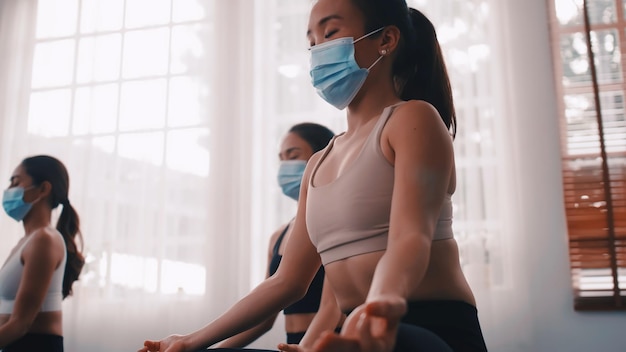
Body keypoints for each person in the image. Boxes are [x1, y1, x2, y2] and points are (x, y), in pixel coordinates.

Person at [140, 0, 488, 351]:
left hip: (426, 327)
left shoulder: (414, 119)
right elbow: (287, 281)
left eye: (331, 32)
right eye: (312, 41)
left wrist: (379, 308)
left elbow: (411, 236)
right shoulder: (319, 163)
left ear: (386, 39)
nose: (318, 49)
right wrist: (190, 341)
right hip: (355, 331)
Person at [212, 122, 343, 349]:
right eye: (281, 159)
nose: (285, 167)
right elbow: (264, 318)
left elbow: (333, 308)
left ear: (321, 157)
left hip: (329, 344)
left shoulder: (339, 221)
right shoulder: (278, 237)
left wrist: (306, 348)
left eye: (292, 156)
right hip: (291, 345)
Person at [0, 155, 85, 352]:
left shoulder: (44, 240)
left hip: (33, 346)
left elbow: (21, 324)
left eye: (16, 181)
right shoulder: (27, 242)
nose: (8, 190)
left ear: (43, 189)